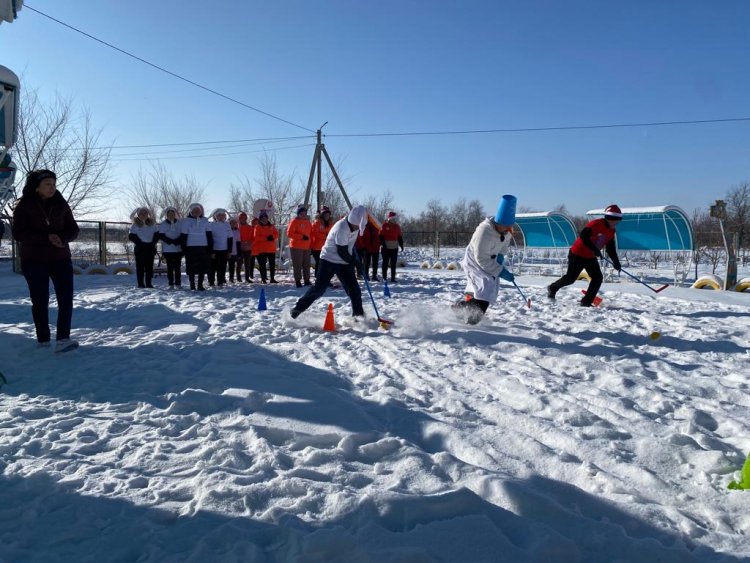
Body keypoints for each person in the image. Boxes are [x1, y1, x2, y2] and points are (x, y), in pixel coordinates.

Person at [12, 169, 80, 352]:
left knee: (66, 299)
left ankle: (63, 339)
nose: (52, 188)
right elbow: (18, 232)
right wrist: (46, 238)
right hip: (34, 260)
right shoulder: (24, 205)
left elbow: (74, 229)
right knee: (40, 300)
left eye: (54, 184)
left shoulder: (61, 203)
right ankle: (43, 338)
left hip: (61, 258)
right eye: (47, 184)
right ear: (36, 187)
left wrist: (63, 238)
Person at [290, 205, 370, 320]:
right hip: (329, 260)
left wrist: (356, 259)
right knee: (319, 289)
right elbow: (342, 251)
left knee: (354, 290)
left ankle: (359, 317)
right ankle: (297, 309)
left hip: (344, 262)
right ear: (352, 221)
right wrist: (356, 263)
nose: (357, 229)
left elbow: (350, 246)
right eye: (356, 226)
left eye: (359, 227)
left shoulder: (356, 225)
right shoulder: (342, 227)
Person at [452, 195, 517, 325]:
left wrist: (500, 257)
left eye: (509, 227)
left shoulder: (508, 230)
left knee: (488, 289)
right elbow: (481, 259)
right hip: (475, 262)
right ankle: (466, 312)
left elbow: (503, 247)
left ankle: (465, 311)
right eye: (505, 227)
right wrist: (501, 271)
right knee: (484, 288)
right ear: (498, 223)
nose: (507, 231)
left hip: (490, 262)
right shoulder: (484, 231)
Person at [547, 204, 623, 306]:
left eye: (619, 220)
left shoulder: (611, 230)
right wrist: (594, 249)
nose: (617, 222)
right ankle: (553, 288)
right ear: (610, 218)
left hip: (590, 256)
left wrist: (616, 262)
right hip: (577, 254)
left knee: (597, 278)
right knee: (570, 279)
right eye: (616, 220)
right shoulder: (596, 224)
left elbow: (610, 248)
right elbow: (583, 236)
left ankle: (586, 302)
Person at [180, 203, 213, 291]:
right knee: (191, 268)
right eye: (194, 210)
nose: (196, 212)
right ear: (191, 211)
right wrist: (184, 248)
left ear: (201, 211)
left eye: (198, 210)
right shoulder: (186, 221)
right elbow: (183, 236)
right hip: (190, 248)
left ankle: (200, 285)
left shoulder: (205, 220)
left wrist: (210, 248)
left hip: (203, 247)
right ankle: (192, 285)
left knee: (202, 268)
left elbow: (209, 235)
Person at [128, 207, 158, 289]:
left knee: (149, 268)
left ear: (148, 214)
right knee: (140, 267)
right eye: (142, 213)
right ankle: (141, 284)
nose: (144, 215)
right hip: (140, 249)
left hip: (150, 248)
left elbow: (156, 235)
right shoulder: (135, 225)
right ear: (138, 215)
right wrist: (141, 243)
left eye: (145, 213)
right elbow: (131, 236)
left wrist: (152, 244)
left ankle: (149, 283)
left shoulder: (152, 224)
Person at [287, 204, 312, 287]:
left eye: (304, 212)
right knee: (297, 265)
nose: (303, 214)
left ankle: (307, 279)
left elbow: (311, 234)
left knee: (306, 264)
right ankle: (298, 280)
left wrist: (310, 244)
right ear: (298, 213)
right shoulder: (294, 221)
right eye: (301, 212)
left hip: (306, 247)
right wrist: (301, 236)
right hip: (296, 246)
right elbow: (289, 233)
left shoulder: (308, 222)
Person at [158, 206, 183, 288]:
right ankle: (171, 283)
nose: (171, 215)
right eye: (169, 214)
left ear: (175, 214)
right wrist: (171, 241)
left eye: (173, 214)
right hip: (168, 250)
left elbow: (183, 234)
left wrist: (177, 241)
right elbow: (161, 236)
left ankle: (178, 283)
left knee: (177, 268)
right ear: (166, 215)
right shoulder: (162, 224)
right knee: (170, 268)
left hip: (178, 249)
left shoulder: (180, 223)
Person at [207, 208, 233, 287]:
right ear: (215, 216)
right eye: (219, 215)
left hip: (224, 250)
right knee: (212, 267)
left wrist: (229, 251)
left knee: (222, 267)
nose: (221, 217)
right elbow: (209, 239)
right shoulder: (211, 225)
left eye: (222, 215)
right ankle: (211, 282)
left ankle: (220, 281)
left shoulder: (227, 225)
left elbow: (230, 238)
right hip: (214, 250)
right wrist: (211, 251)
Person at [252, 210, 279, 283]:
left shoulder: (272, 226)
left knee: (272, 264)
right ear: (260, 219)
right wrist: (266, 238)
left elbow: (276, 234)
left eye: (265, 218)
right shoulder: (257, 227)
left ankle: (272, 278)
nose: (264, 219)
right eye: (262, 218)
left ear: (267, 218)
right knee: (262, 264)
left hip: (271, 249)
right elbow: (256, 237)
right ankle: (263, 278)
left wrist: (272, 237)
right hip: (262, 249)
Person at [380, 211, 404, 282]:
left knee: (393, 264)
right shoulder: (384, 225)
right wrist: (383, 244)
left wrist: (401, 245)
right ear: (389, 219)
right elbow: (380, 236)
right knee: (385, 263)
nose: (394, 220)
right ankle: (384, 277)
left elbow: (399, 236)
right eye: (393, 219)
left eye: (395, 219)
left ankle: (393, 278)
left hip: (394, 248)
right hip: (385, 248)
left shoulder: (397, 226)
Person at [310, 206, 334, 277]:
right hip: (317, 247)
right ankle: (318, 277)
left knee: (326, 263)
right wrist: (326, 235)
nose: (327, 216)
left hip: (327, 246)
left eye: (328, 215)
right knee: (319, 262)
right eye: (325, 215)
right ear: (322, 215)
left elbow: (333, 233)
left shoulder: (330, 224)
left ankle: (324, 277)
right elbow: (316, 233)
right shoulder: (317, 223)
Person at [237, 211, 255, 282]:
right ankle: (238, 277)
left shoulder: (250, 227)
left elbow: (253, 238)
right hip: (240, 248)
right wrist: (241, 244)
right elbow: (236, 237)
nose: (243, 219)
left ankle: (247, 278)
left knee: (247, 264)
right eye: (241, 218)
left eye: (244, 217)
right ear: (239, 219)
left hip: (248, 248)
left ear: (246, 218)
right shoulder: (237, 227)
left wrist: (249, 244)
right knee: (239, 263)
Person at [228, 217, 240, 283]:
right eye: (232, 223)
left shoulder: (237, 231)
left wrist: (239, 253)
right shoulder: (227, 230)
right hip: (227, 250)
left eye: (235, 223)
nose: (233, 224)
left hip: (235, 251)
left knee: (233, 265)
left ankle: (232, 278)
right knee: (227, 265)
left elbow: (238, 242)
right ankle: (224, 278)